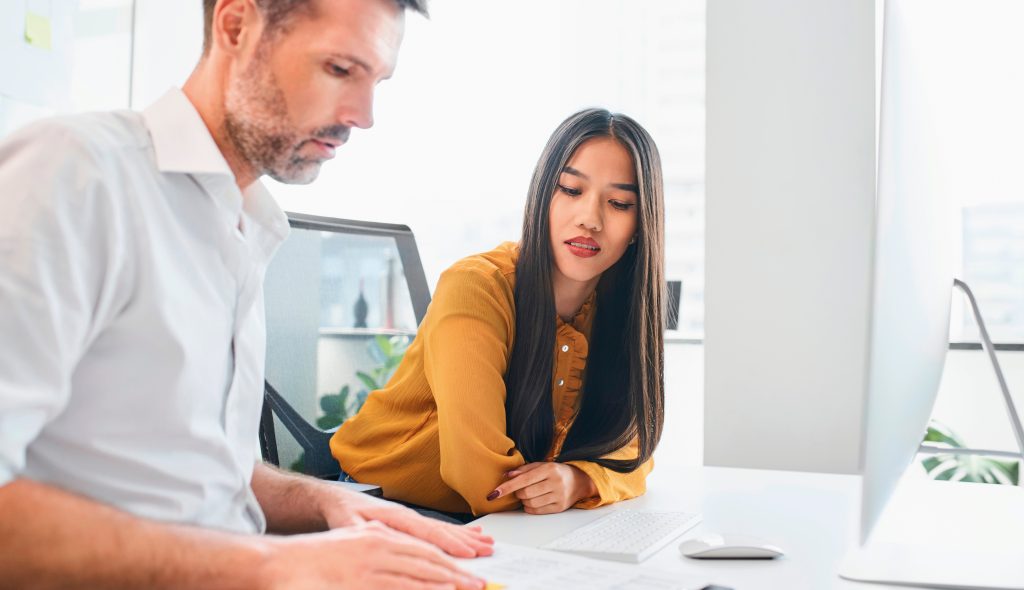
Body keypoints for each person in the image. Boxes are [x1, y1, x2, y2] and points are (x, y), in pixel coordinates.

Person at [0, 0, 493, 588]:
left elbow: (200, 472)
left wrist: (326, 505)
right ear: (236, 27)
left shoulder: (247, 222)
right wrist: (272, 565)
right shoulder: (78, 174)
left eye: (375, 81)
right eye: (339, 69)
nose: (363, 116)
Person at [331, 108, 666, 517]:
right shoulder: (476, 287)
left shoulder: (618, 314)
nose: (589, 219)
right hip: (383, 504)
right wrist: (574, 486)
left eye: (618, 203)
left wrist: (580, 480)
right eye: (571, 190)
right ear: (543, 194)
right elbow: (482, 482)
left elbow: (634, 454)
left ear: (640, 226)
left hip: (496, 522)